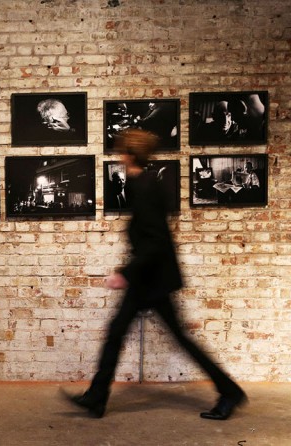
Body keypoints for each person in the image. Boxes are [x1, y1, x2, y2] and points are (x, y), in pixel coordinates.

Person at [64, 129, 246, 420]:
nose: (119, 156)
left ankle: (231, 392)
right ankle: (97, 398)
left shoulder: (145, 185)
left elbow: (155, 240)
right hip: (150, 277)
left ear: (129, 154)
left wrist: (125, 273)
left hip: (152, 279)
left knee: (170, 338)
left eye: (121, 151)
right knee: (118, 332)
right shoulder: (145, 182)